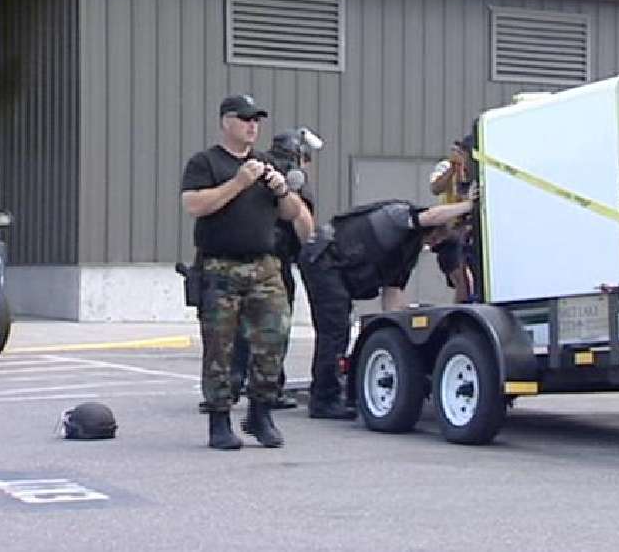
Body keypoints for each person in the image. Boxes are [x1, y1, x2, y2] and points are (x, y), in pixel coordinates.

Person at [181, 94, 312, 450]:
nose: (252, 126)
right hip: (220, 265)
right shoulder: (206, 162)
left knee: (274, 338)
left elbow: (292, 214)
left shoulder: (267, 163)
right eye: (245, 119)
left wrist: (281, 188)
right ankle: (220, 420)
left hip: (264, 265)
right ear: (226, 122)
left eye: (257, 120)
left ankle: (260, 412)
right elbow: (194, 204)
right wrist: (239, 183)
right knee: (220, 347)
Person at [299, 195, 478, 420]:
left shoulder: (408, 253)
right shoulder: (399, 215)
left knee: (337, 328)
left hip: (337, 269)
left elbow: (392, 293)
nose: (434, 243)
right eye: (437, 235)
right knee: (335, 329)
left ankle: (328, 392)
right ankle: (323, 400)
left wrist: (397, 335)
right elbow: (431, 215)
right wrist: (470, 205)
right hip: (324, 259)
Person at [226, 129, 315, 411]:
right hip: (276, 261)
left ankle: (233, 381)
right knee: (274, 327)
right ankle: (270, 387)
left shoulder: (255, 166)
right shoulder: (291, 178)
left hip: (240, 256)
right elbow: (302, 220)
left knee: (239, 325)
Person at [427, 136, 476, 303]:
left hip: (470, 232)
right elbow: (435, 188)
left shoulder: (476, 171)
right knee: (461, 279)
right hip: (450, 233)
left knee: (471, 280)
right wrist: (453, 169)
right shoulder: (447, 167)